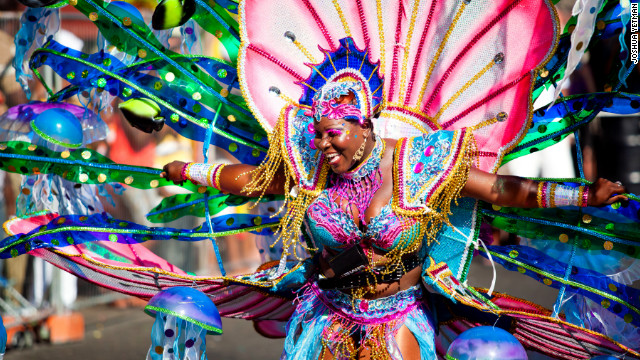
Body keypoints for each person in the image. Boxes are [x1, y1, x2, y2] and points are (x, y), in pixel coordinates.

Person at [161, 86, 626, 358]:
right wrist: (190, 170)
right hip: (328, 313)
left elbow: (501, 189)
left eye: (333, 134)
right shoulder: (314, 174)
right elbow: (256, 180)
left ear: (365, 127)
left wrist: (583, 194)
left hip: (401, 313)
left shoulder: (419, 165)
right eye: (317, 134)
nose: (323, 145)